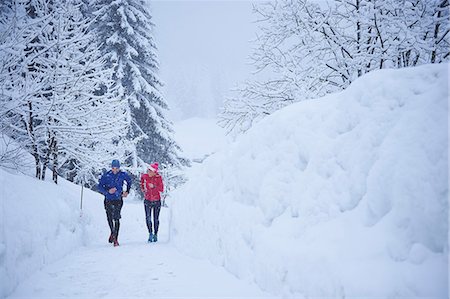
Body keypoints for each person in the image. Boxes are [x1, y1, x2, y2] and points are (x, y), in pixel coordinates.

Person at [98, 159, 132, 247]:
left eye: (117, 168)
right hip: (108, 199)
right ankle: (112, 232)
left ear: (119, 168)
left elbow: (129, 181)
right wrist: (107, 191)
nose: (115, 170)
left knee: (116, 218)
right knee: (109, 217)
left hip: (118, 199)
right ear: (111, 167)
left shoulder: (122, 175)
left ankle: (116, 239)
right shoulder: (106, 175)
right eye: (113, 168)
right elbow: (100, 187)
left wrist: (127, 191)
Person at [140, 162, 164, 243]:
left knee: (156, 219)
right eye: (148, 170)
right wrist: (143, 188)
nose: (148, 172)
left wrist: (154, 186)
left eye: (150, 171)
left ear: (154, 172)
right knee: (148, 218)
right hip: (147, 200)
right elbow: (142, 180)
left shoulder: (158, 178)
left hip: (156, 200)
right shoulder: (145, 176)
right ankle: (150, 233)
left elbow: (161, 189)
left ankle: (155, 234)